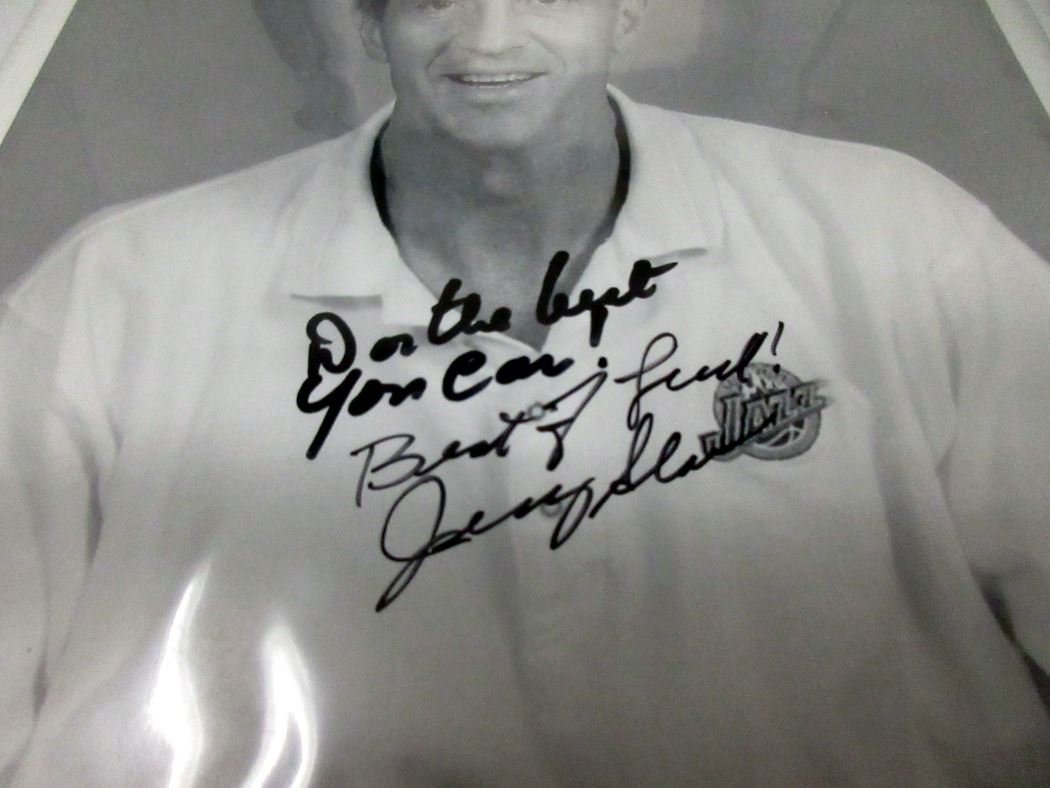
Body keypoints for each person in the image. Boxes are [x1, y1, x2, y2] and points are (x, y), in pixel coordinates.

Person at [2, 0, 1050, 783]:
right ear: (368, 19)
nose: (490, 34)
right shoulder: (114, 294)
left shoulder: (899, 240)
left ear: (626, 8)